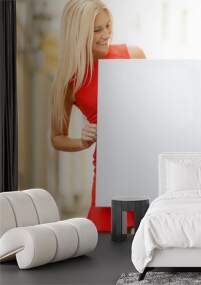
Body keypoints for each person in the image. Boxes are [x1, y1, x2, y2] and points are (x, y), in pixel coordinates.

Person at [51, 0, 146, 231]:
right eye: (97, 30)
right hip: (108, 172)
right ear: (79, 33)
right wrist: (82, 141)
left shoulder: (134, 56)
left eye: (108, 26)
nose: (106, 35)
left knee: (150, 240)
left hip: (144, 162)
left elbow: (156, 107)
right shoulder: (68, 81)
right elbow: (57, 138)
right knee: (107, 245)